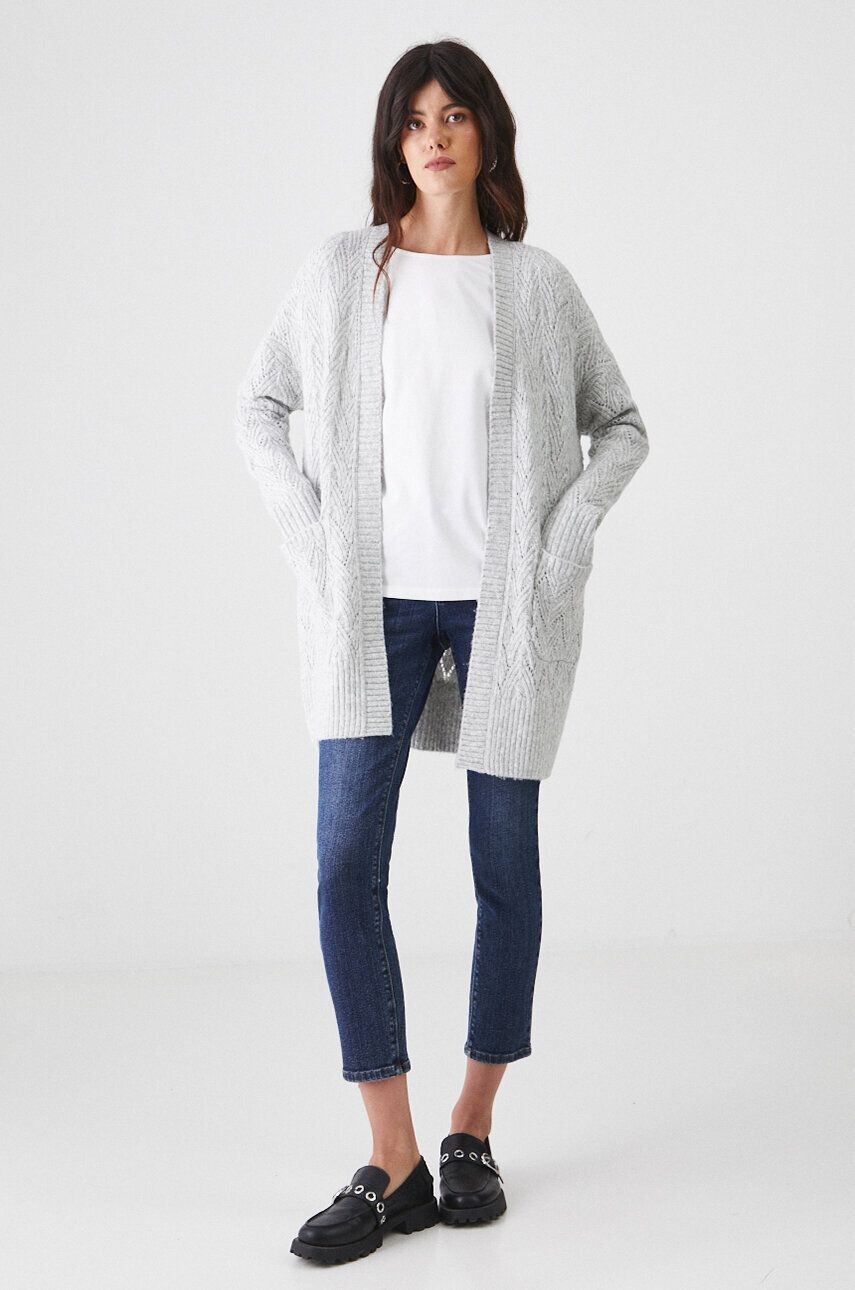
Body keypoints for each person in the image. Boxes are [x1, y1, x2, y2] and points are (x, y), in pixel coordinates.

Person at [235, 39, 650, 1266]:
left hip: (501, 610)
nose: (435, 136)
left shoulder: (537, 287)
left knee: (502, 867)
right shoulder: (341, 273)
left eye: (456, 114)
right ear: (393, 141)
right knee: (342, 868)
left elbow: (623, 425)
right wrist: (312, 536)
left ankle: (471, 1127)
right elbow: (259, 406)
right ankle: (393, 1156)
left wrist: (563, 538)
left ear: (486, 135)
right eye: (415, 118)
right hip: (370, 609)